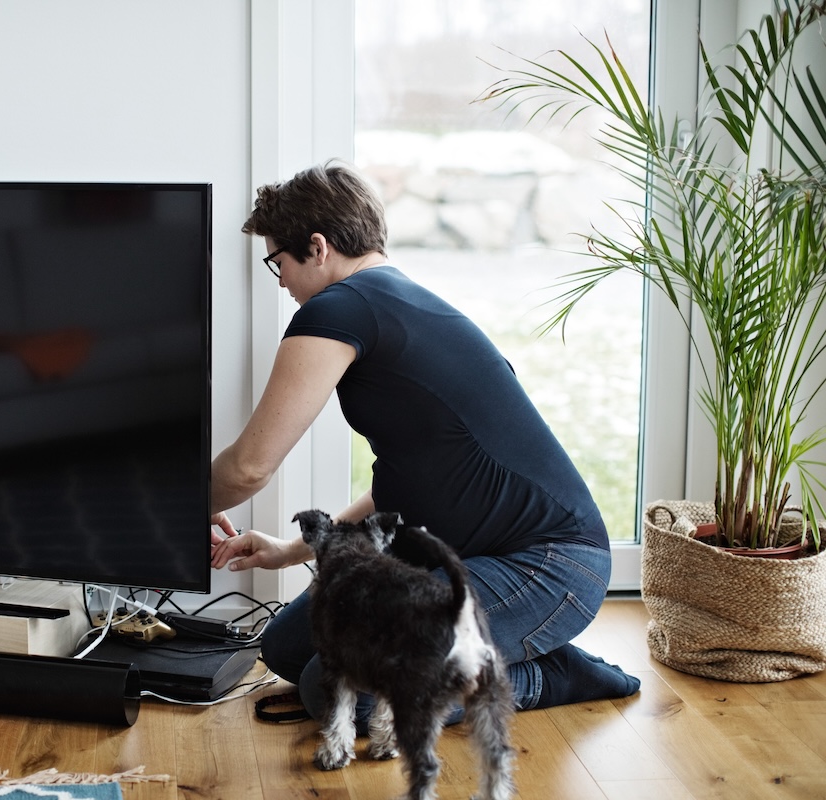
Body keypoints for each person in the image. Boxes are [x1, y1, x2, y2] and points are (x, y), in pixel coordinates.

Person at [210, 160, 640, 728]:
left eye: (278, 262)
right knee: (286, 649)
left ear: (317, 248)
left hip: (547, 565)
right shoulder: (393, 300)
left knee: (339, 694)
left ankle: (544, 673)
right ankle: (494, 646)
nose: (281, 280)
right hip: (467, 558)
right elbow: (412, 477)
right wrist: (294, 550)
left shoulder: (341, 308)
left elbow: (249, 467)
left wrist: (170, 503)